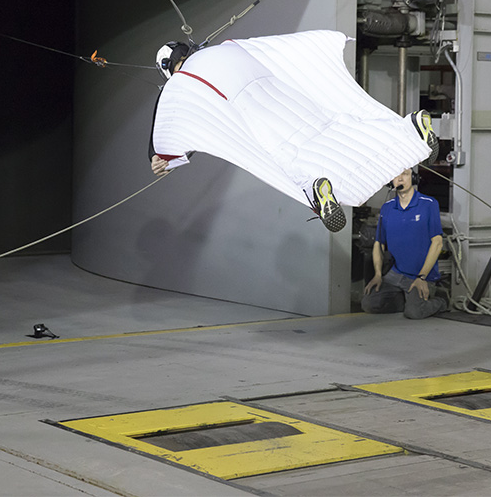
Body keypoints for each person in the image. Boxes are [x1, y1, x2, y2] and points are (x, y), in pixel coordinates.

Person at [148, 30, 439, 233]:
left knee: (284, 159)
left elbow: (176, 125)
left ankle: (316, 192)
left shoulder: (182, 84)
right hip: (286, 96)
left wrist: (163, 156)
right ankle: (408, 129)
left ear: (168, 69)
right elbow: (280, 49)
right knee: (338, 126)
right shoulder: (227, 49)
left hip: (257, 117)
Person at [363, 167, 447, 319]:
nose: (400, 179)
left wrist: (422, 277)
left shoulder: (428, 204)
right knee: (369, 304)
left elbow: (437, 243)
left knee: (414, 313)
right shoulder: (387, 208)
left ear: (413, 178)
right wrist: (377, 274)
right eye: (396, 176)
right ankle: (408, 299)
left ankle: (441, 301)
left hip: (422, 276)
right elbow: (378, 243)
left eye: (405, 174)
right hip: (396, 274)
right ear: (391, 181)